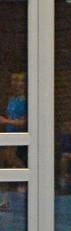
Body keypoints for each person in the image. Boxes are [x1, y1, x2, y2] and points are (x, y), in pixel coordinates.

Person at [0, 72, 27, 211]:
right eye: (14, 80)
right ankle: (4, 199)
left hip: (19, 135)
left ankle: (25, 180)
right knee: (4, 163)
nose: (17, 83)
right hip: (9, 134)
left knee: (10, 159)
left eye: (20, 81)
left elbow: (23, 122)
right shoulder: (11, 99)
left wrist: (6, 121)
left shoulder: (25, 101)